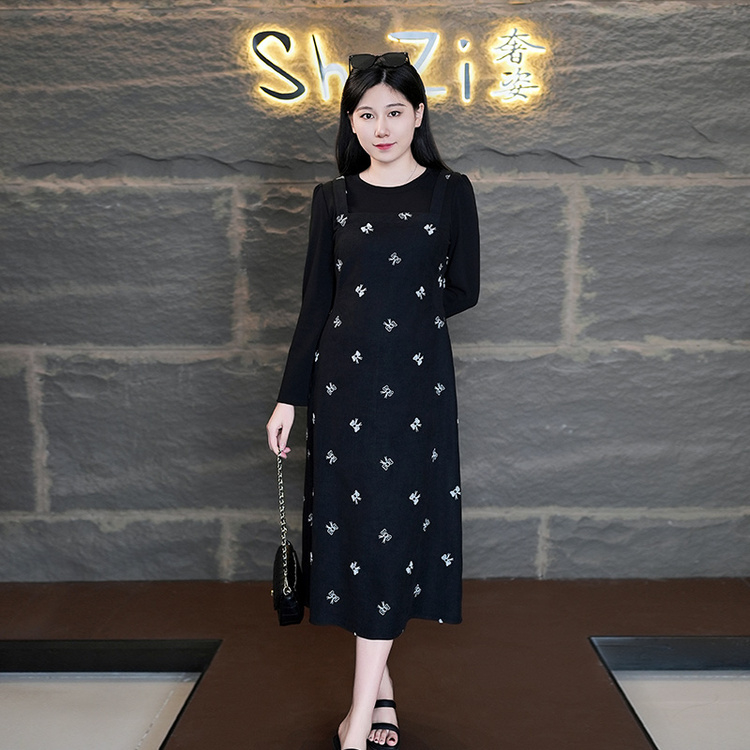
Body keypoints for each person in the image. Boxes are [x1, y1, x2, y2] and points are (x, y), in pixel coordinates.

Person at [266, 51, 480, 750]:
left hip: (417, 389)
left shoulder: (451, 191)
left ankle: (356, 723)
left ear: (418, 115)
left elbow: (464, 288)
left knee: (394, 531)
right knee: (358, 535)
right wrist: (289, 400)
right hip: (342, 388)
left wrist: (402, 321)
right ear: (351, 124)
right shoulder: (334, 198)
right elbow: (315, 305)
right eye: (366, 114)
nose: (381, 127)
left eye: (394, 112)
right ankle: (378, 698)